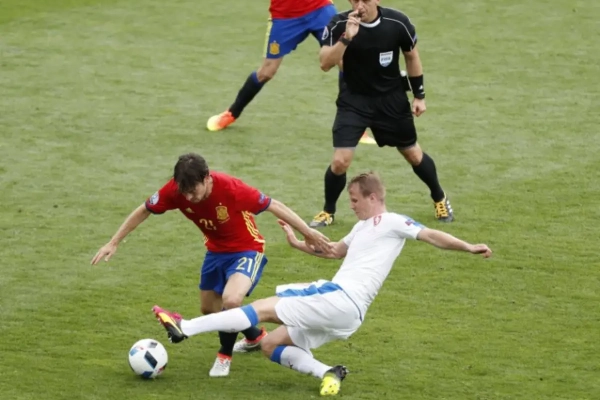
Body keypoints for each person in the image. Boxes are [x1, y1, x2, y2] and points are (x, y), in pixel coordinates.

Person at [152, 171, 492, 396]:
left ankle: (186, 327)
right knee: (271, 345)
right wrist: (299, 244)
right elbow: (333, 252)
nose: (351, 206)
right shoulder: (361, 228)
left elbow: (430, 235)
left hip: (340, 298)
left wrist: (467, 246)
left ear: (373, 197)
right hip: (349, 316)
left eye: (355, 200)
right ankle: (328, 372)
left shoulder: (391, 221)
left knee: (260, 309)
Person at [91, 152, 329, 377]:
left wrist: (308, 233)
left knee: (231, 300)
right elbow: (145, 209)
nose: (188, 198)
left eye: (193, 191)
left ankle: (224, 355)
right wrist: (114, 241)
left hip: (247, 249)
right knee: (209, 310)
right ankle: (254, 336)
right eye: (184, 193)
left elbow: (274, 205)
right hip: (215, 252)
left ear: (207, 178)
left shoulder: (232, 189)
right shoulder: (175, 190)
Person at [309, 0, 455, 228]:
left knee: (413, 154)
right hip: (353, 101)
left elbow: (412, 56)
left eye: (365, 0)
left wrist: (419, 95)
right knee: (339, 161)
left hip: (390, 101)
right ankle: (328, 211)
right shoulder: (339, 24)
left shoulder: (398, 22)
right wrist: (347, 37)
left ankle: (439, 197)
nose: (360, 5)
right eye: (355, 0)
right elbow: (325, 64)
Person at [205, 0, 377, 145]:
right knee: (266, 71)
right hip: (285, 16)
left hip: (319, 8)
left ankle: (354, 125)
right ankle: (232, 113)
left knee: (345, 61)